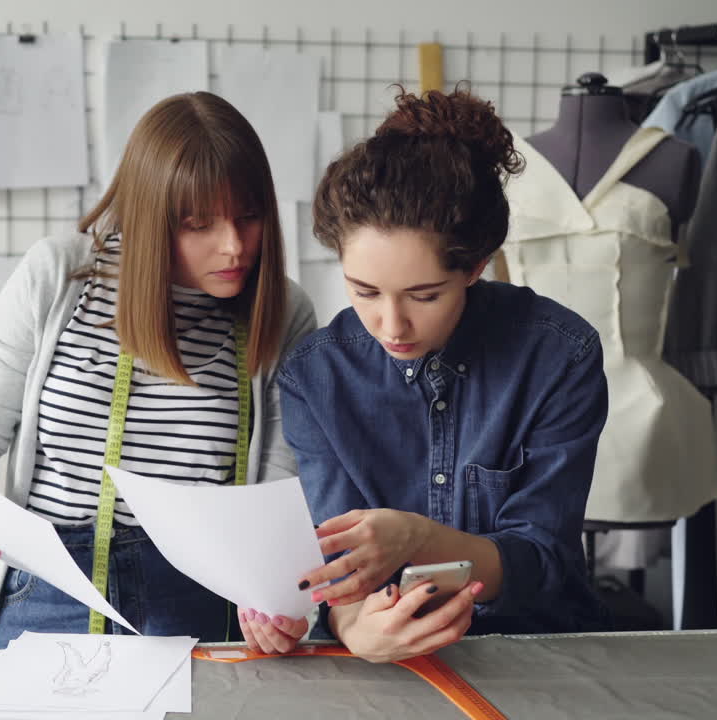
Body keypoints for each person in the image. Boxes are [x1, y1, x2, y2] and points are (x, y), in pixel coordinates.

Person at [0, 91, 317, 649]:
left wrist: (272, 592)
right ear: (150, 216)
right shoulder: (59, 278)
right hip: (53, 589)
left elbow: (280, 479)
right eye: (198, 224)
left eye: (249, 216)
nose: (234, 245)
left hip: (204, 595)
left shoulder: (282, 312)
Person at [245, 88, 610, 661]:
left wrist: (418, 539)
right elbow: (336, 569)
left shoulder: (558, 355)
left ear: (476, 265)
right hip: (376, 665)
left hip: (537, 651)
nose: (392, 325)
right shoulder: (315, 375)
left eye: (424, 295)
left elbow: (544, 562)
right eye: (364, 291)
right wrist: (354, 630)